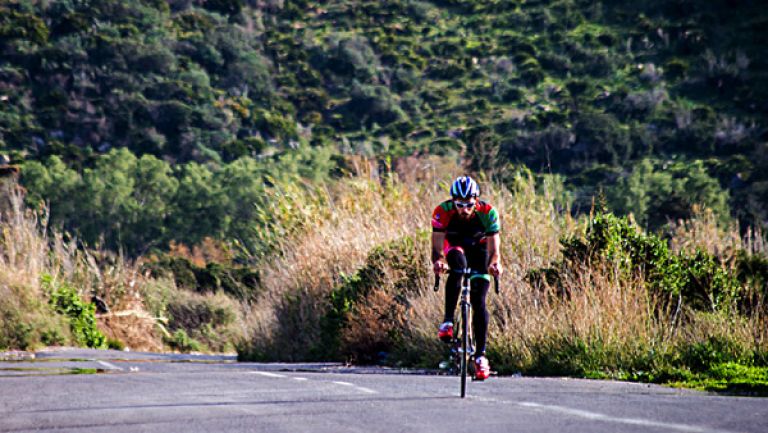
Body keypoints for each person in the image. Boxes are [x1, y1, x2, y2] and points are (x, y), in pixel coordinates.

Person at [431, 176, 502, 380]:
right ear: (453, 201)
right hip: (455, 246)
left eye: (469, 205)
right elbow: (436, 249)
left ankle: (481, 357)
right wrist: (438, 262)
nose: (464, 209)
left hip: (480, 249)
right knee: (458, 267)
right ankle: (447, 321)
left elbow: (495, 250)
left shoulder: (488, 213)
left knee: (479, 302)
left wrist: (495, 264)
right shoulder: (442, 211)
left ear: (476, 201)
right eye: (459, 205)